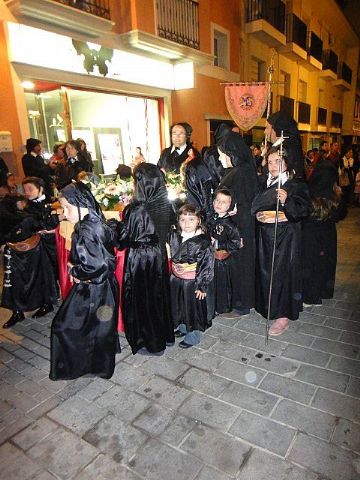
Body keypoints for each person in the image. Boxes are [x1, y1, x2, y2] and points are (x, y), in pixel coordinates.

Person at [50, 182, 120, 380]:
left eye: (67, 208)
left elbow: (101, 264)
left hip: (95, 288)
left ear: (82, 205)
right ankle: (96, 363)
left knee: (64, 326)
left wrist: (77, 270)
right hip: (102, 286)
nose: (65, 213)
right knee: (99, 326)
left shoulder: (88, 230)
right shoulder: (91, 222)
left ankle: (86, 366)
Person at [251, 146, 311, 336]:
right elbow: (256, 206)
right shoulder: (263, 182)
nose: (273, 165)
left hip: (286, 237)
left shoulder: (296, 184)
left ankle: (283, 314)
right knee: (267, 272)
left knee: (283, 273)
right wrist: (259, 214)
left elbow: (303, 210)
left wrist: (287, 202)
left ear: (286, 162)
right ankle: (269, 307)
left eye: (278, 161)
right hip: (265, 235)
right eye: (270, 162)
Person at [115, 163, 174, 355]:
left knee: (144, 300)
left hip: (140, 260)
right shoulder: (164, 202)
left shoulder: (137, 209)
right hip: (159, 256)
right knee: (158, 297)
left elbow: (122, 241)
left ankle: (150, 342)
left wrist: (113, 225)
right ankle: (164, 335)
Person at [218, 131, 260, 315]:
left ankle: (242, 304)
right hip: (240, 226)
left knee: (241, 265)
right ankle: (239, 301)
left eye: (222, 154)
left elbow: (244, 202)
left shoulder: (240, 172)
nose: (220, 159)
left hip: (241, 228)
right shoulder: (240, 170)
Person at [1, 194, 58, 328]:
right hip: (16, 253)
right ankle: (18, 311)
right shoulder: (21, 216)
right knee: (15, 283)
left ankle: (43, 304)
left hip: (32, 251)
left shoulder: (27, 213)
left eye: (30, 189)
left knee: (37, 278)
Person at [169, 204, 214, 348]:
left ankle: (193, 335)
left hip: (192, 281)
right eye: (182, 220)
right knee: (180, 306)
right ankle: (183, 326)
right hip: (177, 279)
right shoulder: (176, 236)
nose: (186, 224)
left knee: (192, 309)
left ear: (198, 221)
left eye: (191, 219)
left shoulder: (202, 241)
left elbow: (206, 264)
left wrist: (202, 285)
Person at [302, 159, 345, 306]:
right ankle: (321, 293)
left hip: (310, 235)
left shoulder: (309, 193)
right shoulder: (336, 195)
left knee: (310, 265)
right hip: (328, 235)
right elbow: (341, 215)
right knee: (324, 265)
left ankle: (310, 296)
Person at [209, 188, 243, 314]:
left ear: (230, 205)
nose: (219, 204)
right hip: (212, 258)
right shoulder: (212, 218)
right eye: (217, 200)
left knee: (222, 284)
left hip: (222, 261)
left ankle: (222, 307)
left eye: (223, 202)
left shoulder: (230, 224)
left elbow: (237, 243)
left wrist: (218, 243)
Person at [22, 176, 60, 286]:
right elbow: (38, 225)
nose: (27, 193)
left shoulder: (52, 201)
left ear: (41, 189)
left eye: (30, 189)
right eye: (25, 190)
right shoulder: (28, 208)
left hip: (54, 241)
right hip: (41, 245)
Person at [265, 111, 305, 178]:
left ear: (277, 129)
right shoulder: (284, 145)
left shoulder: (285, 148)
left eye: (267, 128)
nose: (265, 131)